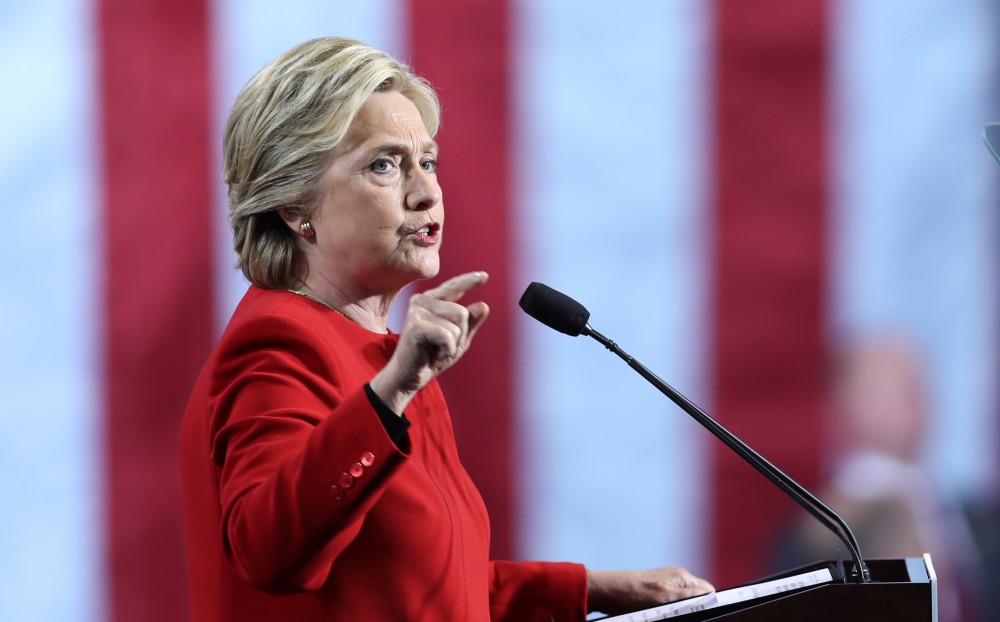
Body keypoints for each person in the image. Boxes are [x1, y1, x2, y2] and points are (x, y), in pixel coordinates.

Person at [179, 37, 713, 621]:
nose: (426, 192)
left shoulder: (383, 357)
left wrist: (594, 588)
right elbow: (268, 548)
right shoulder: (281, 343)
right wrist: (392, 393)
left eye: (427, 162)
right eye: (384, 165)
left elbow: (419, 586)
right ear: (294, 205)